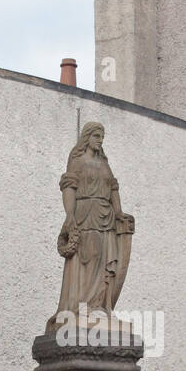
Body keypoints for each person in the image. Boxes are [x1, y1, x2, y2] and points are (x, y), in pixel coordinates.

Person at [47, 122, 135, 333]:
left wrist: (119, 212)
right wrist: (69, 215)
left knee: (105, 260)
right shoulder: (77, 160)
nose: (100, 140)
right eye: (96, 135)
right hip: (86, 214)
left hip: (106, 217)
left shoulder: (104, 163)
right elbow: (69, 187)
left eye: (102, 136)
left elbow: (113, 188)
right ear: (87, 137)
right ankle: (82, 306)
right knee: (90, 256)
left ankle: (99, 308)